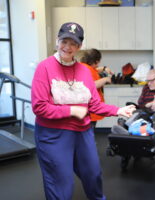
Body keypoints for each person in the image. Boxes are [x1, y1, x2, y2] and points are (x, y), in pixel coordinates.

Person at [31, 22, 135, 200]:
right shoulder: (45, 67)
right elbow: (39, 106)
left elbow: (94, 105)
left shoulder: (84, 71)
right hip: (53, 135)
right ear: (57, 41)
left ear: (79, 46)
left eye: (73, 43)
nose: (67, 47)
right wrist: (72, 110)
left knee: (93, 175)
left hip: (83, 133)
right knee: (62, 185)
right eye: (64, 41)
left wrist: (118, 110)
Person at [80, 48, 114, 127]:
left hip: (87, 109)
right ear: (96, 61)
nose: (98, 64)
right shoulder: (86, 69)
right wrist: (105, 79)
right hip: (89, 109)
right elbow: (91, 85)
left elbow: (94, 70)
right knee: (88, 133)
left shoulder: (84, 67)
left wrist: (104, 68)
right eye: (98, 62)